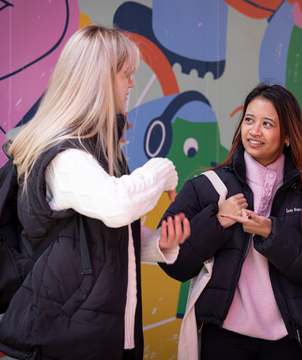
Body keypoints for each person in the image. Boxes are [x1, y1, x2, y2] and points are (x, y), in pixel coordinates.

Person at [0, 25, 190, 360]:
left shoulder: (98, 150)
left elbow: (95, 236)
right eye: (125, 74)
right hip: (59, 342)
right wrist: (163, 170)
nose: (132, 83)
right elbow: (118, 205)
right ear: (98, 78)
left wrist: (156, 244)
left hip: (96, 336)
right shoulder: (65, 156)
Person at [159, 83, 302, 360]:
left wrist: (273, 234)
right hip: (224, 336)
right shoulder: (206, 186)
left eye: (267, 123)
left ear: (287, 136)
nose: (254, 131)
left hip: (289, 339)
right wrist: (217, 220)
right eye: (249, 120)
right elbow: (171, 261)